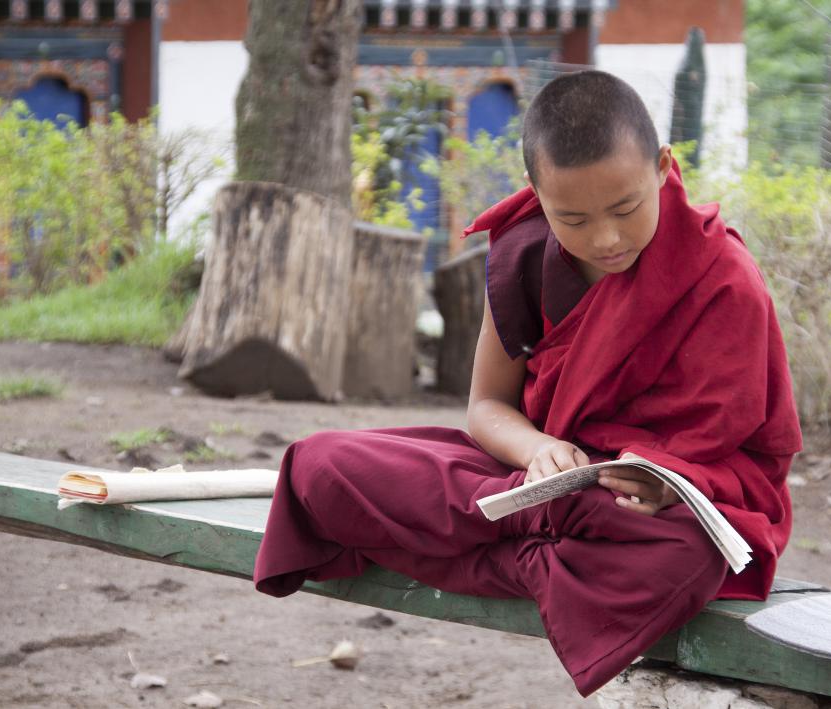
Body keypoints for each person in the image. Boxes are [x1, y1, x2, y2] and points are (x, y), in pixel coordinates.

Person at [253, 70, 802, 697]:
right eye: (573, 217)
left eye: (626, 208)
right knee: (318, 464)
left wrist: (668, 485)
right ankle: (543, 567)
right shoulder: (526, 255)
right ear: (536, 194)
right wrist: (536, 450)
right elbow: (487, 407)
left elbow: (752, 460)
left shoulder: (722, 278)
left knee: (686, 552)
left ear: (662, 167)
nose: (606, 238)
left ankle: (482, 552)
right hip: (532, 483)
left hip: (634, 509)